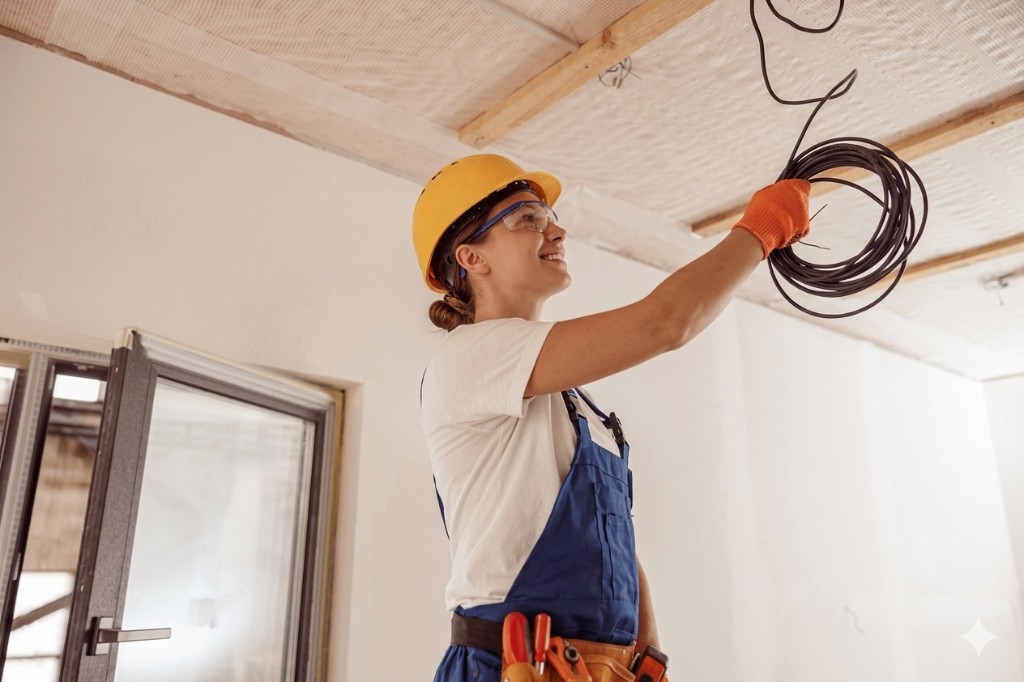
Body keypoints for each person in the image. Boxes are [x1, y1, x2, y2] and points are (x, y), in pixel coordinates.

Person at [413, 154, 810, 682]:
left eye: (549, 217)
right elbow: (665, 323)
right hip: (507, 666)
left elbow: (615, 536)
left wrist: (650, 654)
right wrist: (763, 229)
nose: (556, 229)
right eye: (528, 219)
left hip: (593, 669)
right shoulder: (470, 357)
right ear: (471, 257)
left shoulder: (570, 400)